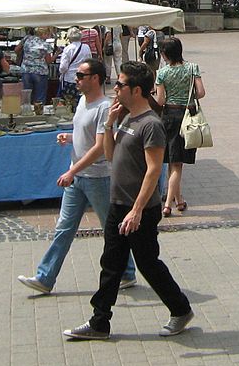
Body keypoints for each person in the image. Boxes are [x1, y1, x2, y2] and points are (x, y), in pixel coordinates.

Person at [63, 61, 194, 341]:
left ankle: (181, 309)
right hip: (118, 204)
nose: (116, 89)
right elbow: (110, 156)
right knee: (111, 263)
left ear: (137, 90)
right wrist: (109, 123)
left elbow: (154, 170)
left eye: (120, 84)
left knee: (148, 264)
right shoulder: (124, 118)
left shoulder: (151, 125)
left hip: (140, 210)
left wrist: (136, 210)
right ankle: (100, 322)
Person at [18, 58, 137, 293]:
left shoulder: (104, 107)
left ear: (95, 78)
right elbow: (86, 135)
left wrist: (72, 171)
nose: (76, 79)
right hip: (79, 177)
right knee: (64, 227)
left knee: (110, 228)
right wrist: (70, 137)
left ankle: (127, 271)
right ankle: (45, 277)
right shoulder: (83, 101)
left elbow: (101, 147)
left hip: (98, 178)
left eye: (81, 75)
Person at [154, 38, 205, 216]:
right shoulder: (192, 68)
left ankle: (172, 202)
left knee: (173, 161)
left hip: (168, 117)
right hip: (186, 117)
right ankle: (173, 202)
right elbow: (201, 92)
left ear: (165, 53)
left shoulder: (162, 73)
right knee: (177, 163)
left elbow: (160, 101)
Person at [15, 27, 52, 106]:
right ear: (44, 34)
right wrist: (56, 54)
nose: (49, 36)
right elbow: (48, 61)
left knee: (27, 96)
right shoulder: (46, 45)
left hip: (26, 70)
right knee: (40, 96)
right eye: (48, 34)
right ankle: (39, 113)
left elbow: (16, 50)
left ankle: (27, 112)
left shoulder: (26, 38)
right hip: (40, 71)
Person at [58, 27, 92, 102]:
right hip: (83, 77)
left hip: (70, 79)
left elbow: (63, 67)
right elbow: (90, 62)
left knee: (69, 102)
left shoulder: (68, 49)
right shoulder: (86, 47)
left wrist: (61, 72)